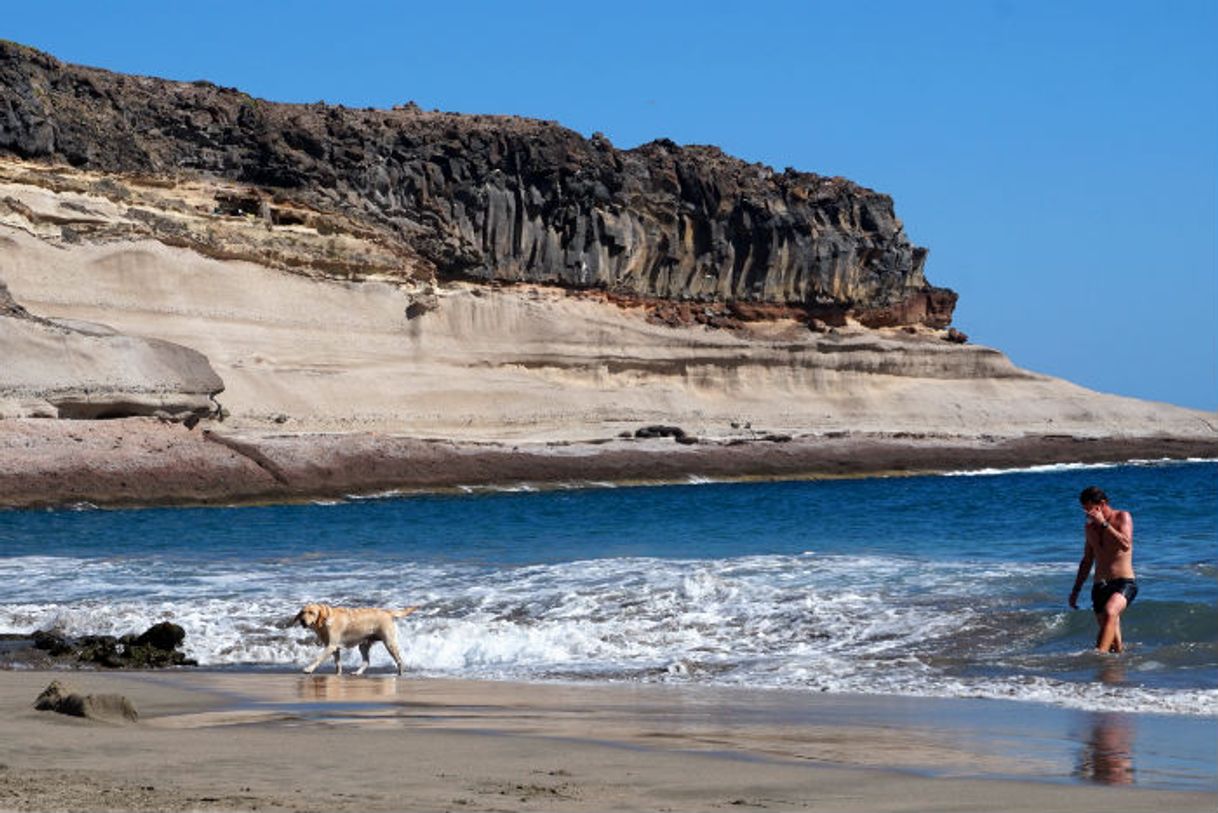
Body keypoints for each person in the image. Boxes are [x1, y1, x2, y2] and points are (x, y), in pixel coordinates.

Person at [1068, 486, 1137, 653]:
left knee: (1110, 611)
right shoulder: (1089, 528)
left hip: (1123, 582)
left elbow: (1126, 544)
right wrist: (1076, 590)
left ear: (1102, 504)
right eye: (1084, 509)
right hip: (1099, 587)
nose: (1087, 513)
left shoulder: (1122, 517)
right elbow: (1087, 561)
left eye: (1089, 508)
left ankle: (1099, 657)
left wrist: (1104, 524)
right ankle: (1112, 672)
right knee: (1115, 645)